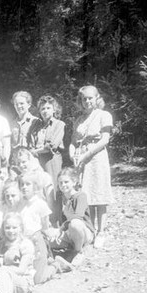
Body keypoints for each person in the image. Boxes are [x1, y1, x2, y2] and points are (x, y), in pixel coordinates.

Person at [70, 85, 114, 249]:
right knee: (86, 196)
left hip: (97, 158)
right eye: (84, 99)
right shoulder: (79, 120)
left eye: (90, 98)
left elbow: (104, 140)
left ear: (97, 98)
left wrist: (85, 155)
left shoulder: (104, 115)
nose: (87, 101)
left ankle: (102, 232)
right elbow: (73, 142)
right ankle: (92, 230)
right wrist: (72, 154)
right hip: (81, 160)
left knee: (99, 195)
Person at [48, 167, 95, 267]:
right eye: (60, 183)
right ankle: (54, 256)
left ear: (74, 182)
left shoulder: (81, 196)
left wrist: (61, 228)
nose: (63, 185)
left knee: (75, 223)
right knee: (45, 237)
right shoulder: (62, 198)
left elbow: (77, 217)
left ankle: (78, 251)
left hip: (84, 232)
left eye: (66, 182)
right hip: (69, 233)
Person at [28, 95, 66, 192]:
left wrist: (35, 151)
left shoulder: (59, 124)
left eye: (48, 108)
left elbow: (51, 147)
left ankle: (56, 207)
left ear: (54, 110)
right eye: (42, 109)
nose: (45, 111)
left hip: (51, 160)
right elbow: (31, 143)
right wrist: (34, 151)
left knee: (53, 188)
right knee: (39, 188)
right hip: (37, 160)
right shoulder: (36, 126)